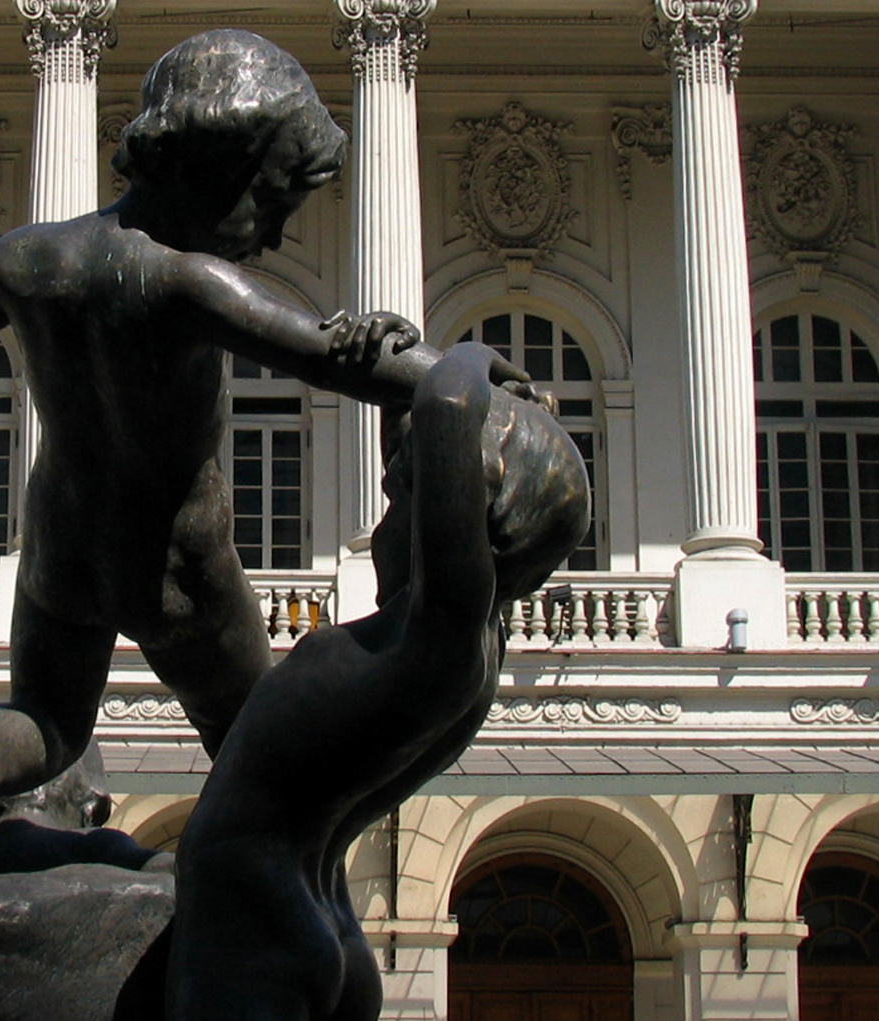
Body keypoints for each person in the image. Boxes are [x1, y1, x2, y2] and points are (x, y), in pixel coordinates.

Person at [0, 30, 511, 876]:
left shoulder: (27, 258)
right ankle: (275, 901)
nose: (267, 237)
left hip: (61, 548)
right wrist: (452, 371)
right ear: (217, 169)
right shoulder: (185, 281)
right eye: (268, 204)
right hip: (174, 563)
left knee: (46, 722)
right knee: (254, 737)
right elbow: (330, 357)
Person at [165, 342, 589, 1021]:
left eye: (399, 499)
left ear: (454, 514)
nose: (384, 521)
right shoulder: (459, 653)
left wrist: (474, 357)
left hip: (251, 919)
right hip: (313, 913)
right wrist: (395, 358)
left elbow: (448, 408)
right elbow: (436, 424)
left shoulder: (439, 637)